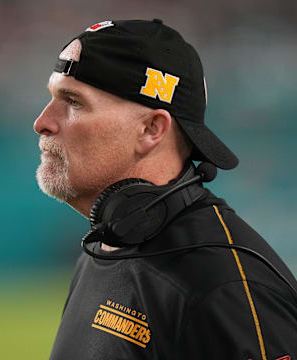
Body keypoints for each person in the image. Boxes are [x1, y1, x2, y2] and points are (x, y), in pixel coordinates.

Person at [34, 19, 297, 360]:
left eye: (73, 101)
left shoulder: (225, 286)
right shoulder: (103, 245)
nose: (42, 121)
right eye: (52, 97)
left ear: (151, 129)